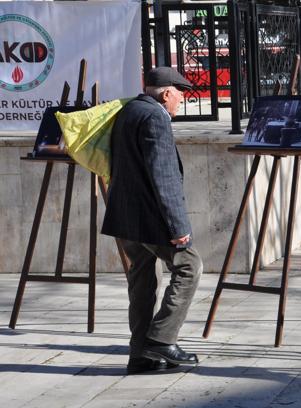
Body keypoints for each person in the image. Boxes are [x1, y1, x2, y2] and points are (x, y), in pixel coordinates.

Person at [101, 66, 203, 375]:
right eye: (181, 94)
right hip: (150, 217)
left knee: (143, 280)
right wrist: (178, 228)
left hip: (126, 215)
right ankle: (160, 339)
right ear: (167, 93)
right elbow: (164, 176)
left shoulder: (130, 110)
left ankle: (139, 355)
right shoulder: (156, 118)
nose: (182, 100)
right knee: (189, 266)